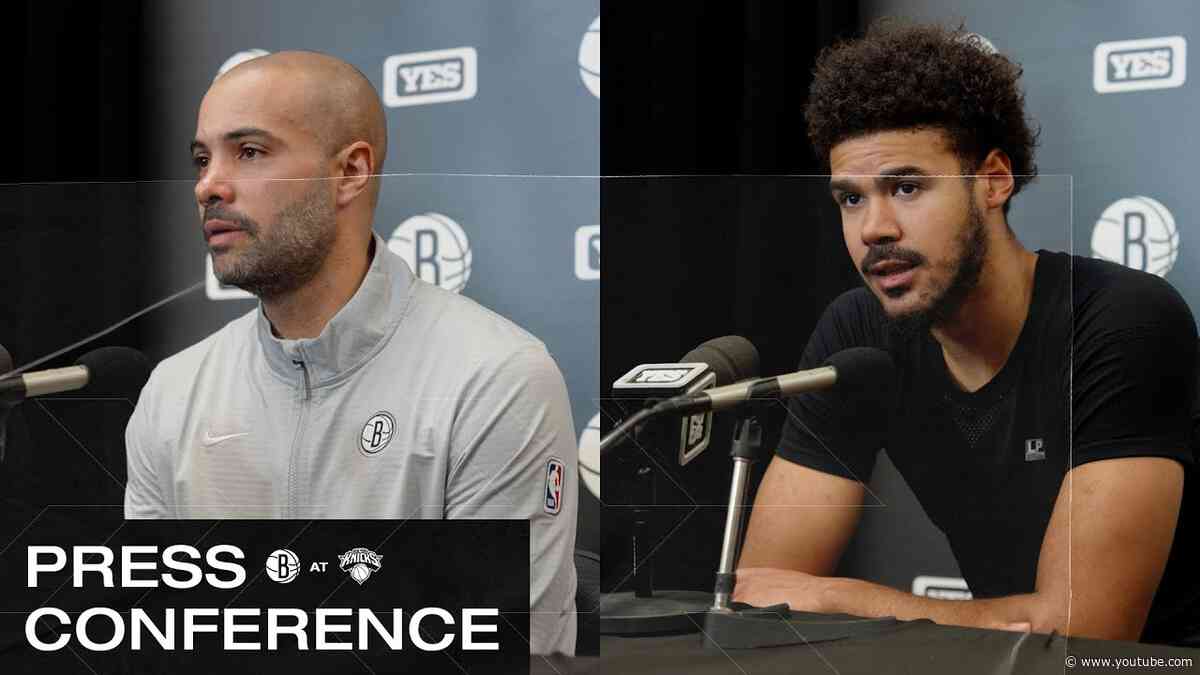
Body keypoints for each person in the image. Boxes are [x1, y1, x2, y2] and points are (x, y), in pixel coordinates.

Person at [733, 21, 1199, 645]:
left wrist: (835, 597)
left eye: (905, 186)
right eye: (850, 199)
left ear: (993, 181)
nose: (874, 228)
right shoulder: (858, 333)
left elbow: (1086, 636)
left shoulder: (1121, 320)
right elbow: (759, 589)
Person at [123, 51, 578, 655]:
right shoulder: (172, 392)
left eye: (250, 152)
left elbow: (511, 654)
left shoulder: (495, 379)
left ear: (351, 172)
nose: (209, 185)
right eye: (202, 160)